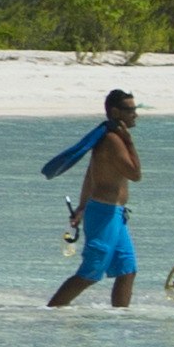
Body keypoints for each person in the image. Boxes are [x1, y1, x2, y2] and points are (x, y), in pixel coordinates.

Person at [42, 88, 144, 309]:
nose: (135, 114)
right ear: (115, 112)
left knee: (127, 270)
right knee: (91, 271)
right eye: (130, 110)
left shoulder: (109, 139)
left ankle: (121, 317)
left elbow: (91, 174)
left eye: (136, 109)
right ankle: (51, 311)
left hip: (115, 214)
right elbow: (135, 174)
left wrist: (81, 206)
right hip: (104, 213)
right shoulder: (112, 140)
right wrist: (131, 142)